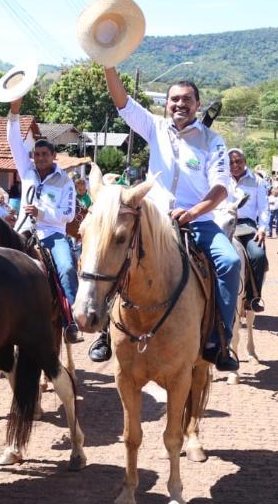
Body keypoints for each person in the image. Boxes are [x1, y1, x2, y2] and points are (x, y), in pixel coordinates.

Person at [102, 68, 240, 372]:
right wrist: (108, 63)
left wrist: (193, 213)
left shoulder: (213, 141)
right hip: (153, 219)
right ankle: (103, 330)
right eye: (174, 99)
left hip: (198, 220)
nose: (180, 104)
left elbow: (220, 187)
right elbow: (122, 101)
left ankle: (221, 339)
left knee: (230, 262)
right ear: (166, 104)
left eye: (187, 99)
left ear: (198, 104)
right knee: (115, 252)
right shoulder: (154, 127)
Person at [7, 107, 82, 343]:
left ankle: (72, 321)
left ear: (53, 157)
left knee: (67, 268)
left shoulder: (65, 182)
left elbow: (69, 215)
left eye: (44, 155)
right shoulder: (26, 171)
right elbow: (12, 140)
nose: (39, 158)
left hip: (52, 235)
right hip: (22, 232)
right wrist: (14, 111)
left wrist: (42, 213)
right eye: (36, 154)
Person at [226, 148, 270, 312]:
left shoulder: (257, 181)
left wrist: (262, 228)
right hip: (224, 222)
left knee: (258, 255)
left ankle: (252, 298)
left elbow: (264, 208)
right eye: (231, 162)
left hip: (247, 226)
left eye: (238, 161)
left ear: (245, 162)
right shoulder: (221, 178)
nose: (235, 165)